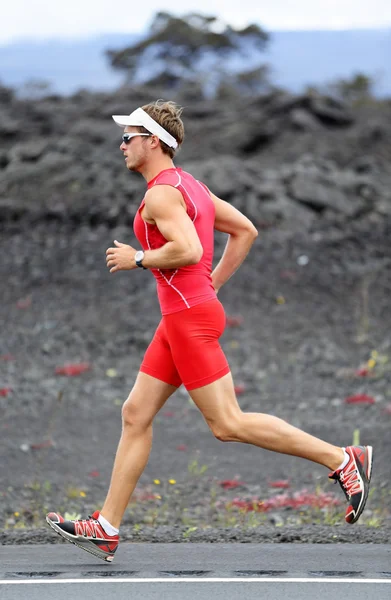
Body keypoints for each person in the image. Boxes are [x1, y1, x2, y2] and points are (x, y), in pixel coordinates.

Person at [46, 100, 373, 563]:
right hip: (187, 314)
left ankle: (343, 461)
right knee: (135, 412)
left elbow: (188, 248)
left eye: (128, 138)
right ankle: (106, 526)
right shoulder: (192, 186)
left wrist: (138, 258)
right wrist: (209, 285)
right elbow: (246, 231)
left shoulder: (161, 194)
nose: (121, 145)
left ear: (152, 142)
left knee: (228, 424)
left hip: (189, 319)